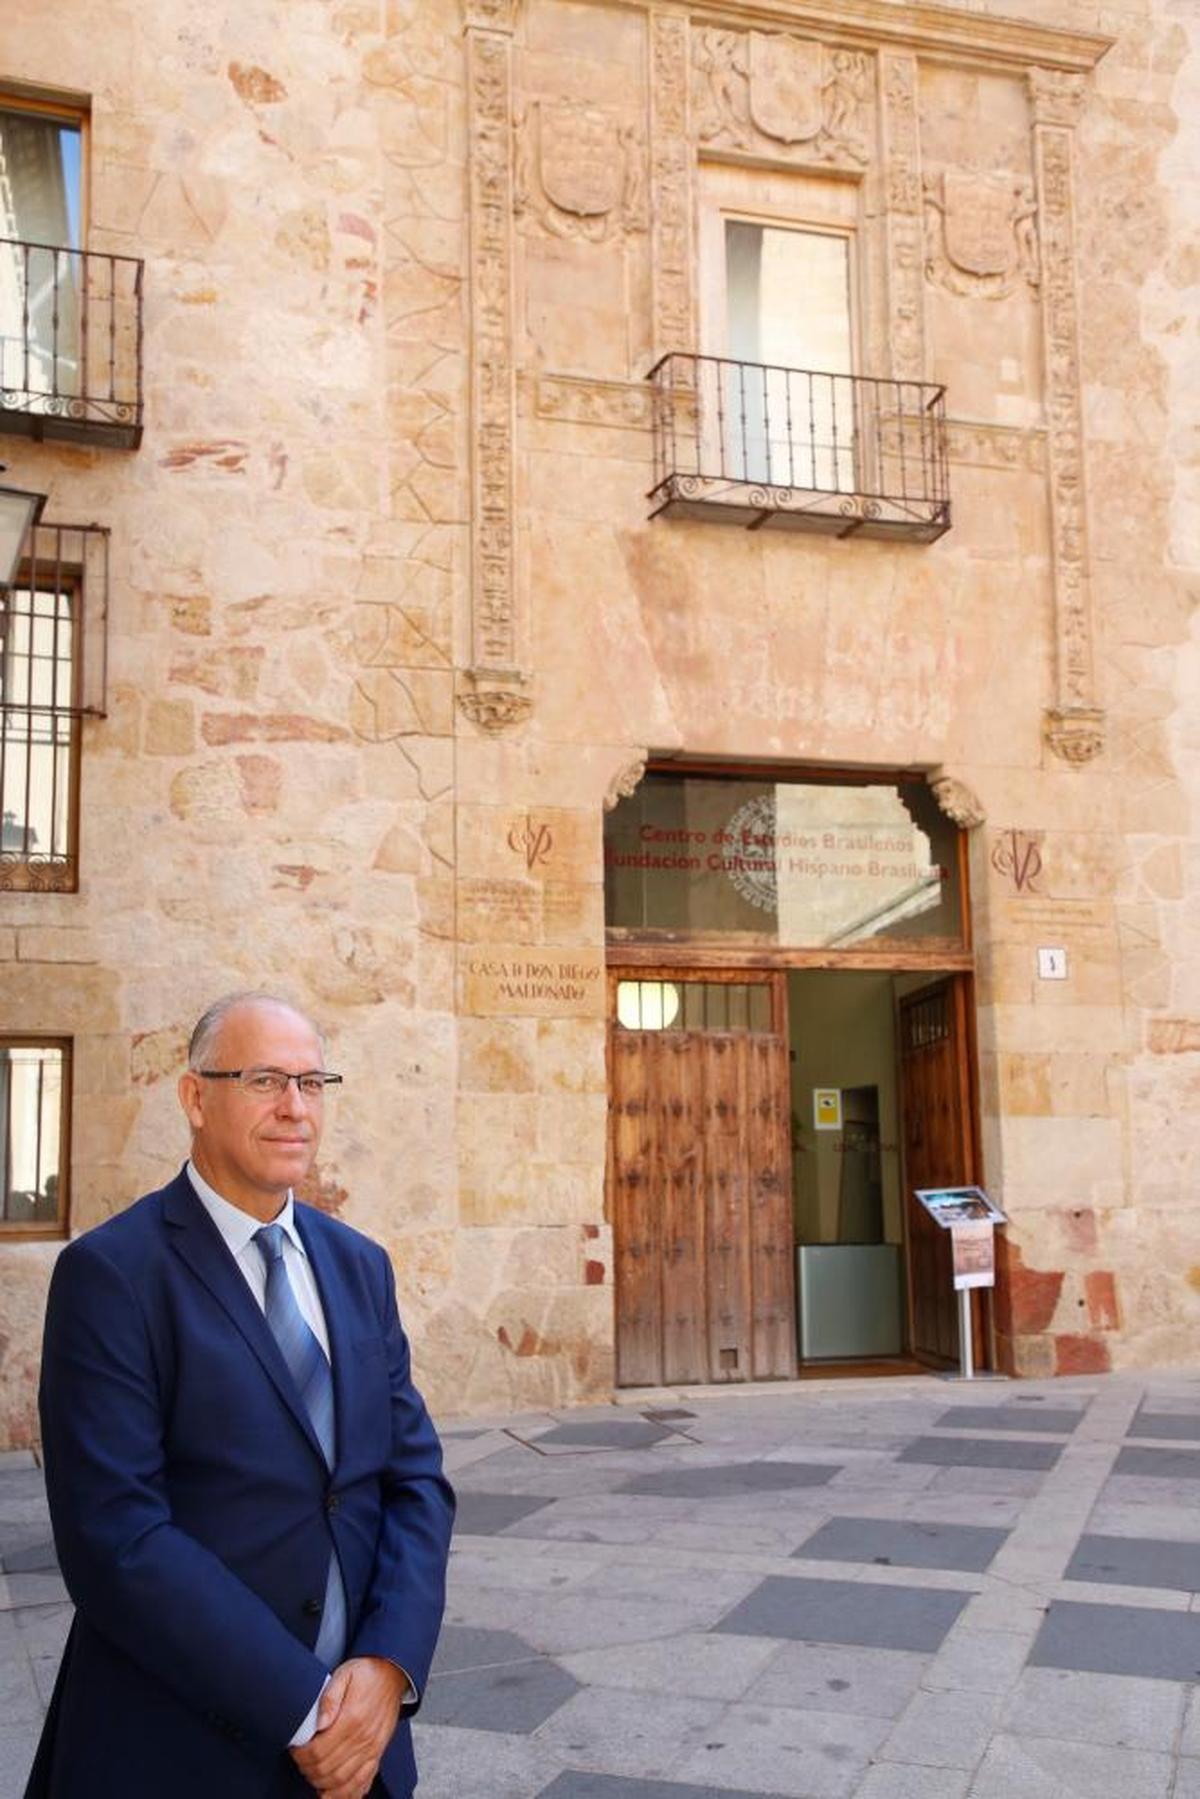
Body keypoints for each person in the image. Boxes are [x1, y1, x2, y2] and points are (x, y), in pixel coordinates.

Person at [25, 992, 454, 1799]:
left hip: (364, 1749)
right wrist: (303, 1707)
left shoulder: (361, 1265)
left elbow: (415, 1482)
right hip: (179, 1747)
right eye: (264, 1080)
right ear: (195, 1097)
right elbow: (117, 1536)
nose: (295, 1108)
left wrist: (386, 1665)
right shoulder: (113, 1275)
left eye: (312, 1082)